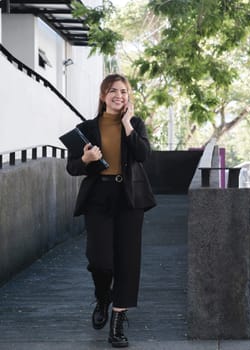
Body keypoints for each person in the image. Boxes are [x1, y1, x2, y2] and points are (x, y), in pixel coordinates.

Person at [66, 73, 156, 348]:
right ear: (103, 95)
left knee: (128, 260)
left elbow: (143, 155)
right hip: (98, 197)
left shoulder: (135, 124)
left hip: (129, 198)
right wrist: (85, 158)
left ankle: (117, 324)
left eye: (125, 92)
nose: (120, 95)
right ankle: (103, 296)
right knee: (100, 258)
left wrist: (128, 124)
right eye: (114, 91)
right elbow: (72, 168)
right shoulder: (87, 128)